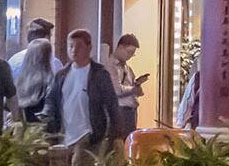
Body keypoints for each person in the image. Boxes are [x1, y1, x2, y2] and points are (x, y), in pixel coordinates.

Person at [47, 29, 120, 164]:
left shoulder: (99, 74)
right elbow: (51, 101)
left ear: (89, 47)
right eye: (71, 46)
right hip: (64, 134)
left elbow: (111, 104)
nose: (74, 50)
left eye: (79, 46)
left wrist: (115, 135)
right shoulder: (62, 75)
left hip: (88, 134)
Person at [12, 25, 57, 123]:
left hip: (19, 131)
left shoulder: (19, 80)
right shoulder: (51, 82)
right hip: (40, 133)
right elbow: (49, 112)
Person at [109, 33, 146, 143]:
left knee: (129, 143)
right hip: (120, 110)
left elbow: (135, 90)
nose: (130, 56)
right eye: (129, 52)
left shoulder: (127, 68)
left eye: (132, 54)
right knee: (120, 144)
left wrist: (138, 87)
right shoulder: (110, 66)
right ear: (120, 47)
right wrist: (132, 90)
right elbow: (116, 90)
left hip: (131, 111)